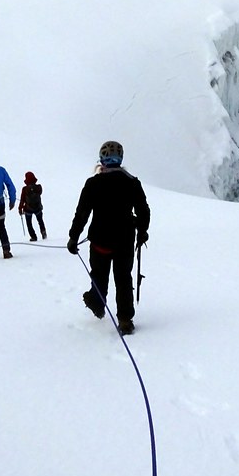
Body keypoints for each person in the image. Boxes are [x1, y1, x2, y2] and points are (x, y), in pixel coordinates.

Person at [67, 140, 150, 335]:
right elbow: (143, 211)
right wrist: (143, 230)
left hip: (99, 240)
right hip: (125, 240)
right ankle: (125, 319)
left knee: (99, 275)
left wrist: (73, 237)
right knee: (123, 278)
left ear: (102, 159)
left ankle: (97, 302)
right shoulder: (132, 182)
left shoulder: (93, 184)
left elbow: (82, 213)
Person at [18, 171, 47, 241]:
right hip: (38, 208)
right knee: (40, 221)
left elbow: (22, 200)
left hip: (28, 209)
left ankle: (33, 236)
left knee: (29, 223)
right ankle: (43, 233)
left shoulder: (24, 189)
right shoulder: (39, 187)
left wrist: (20, 208)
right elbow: (39, 193)